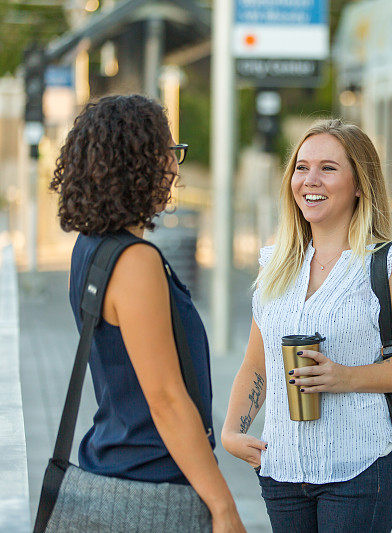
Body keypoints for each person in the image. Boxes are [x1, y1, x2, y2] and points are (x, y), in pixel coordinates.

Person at [221, 119, 392, 532]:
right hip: (282, 470)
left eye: (328, 168)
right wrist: (233, 432)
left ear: (360, 184)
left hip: (359, 467)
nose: (310, 180)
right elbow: (258, 364)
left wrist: (345, 377)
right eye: (302, 167)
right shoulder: (275, 264)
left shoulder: (390, 264)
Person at [50, 95, 245, 532]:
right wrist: (223, 506)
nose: (175, 169)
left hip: (114, 464)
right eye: (168, 154)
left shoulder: (90, 248)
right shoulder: (135, 262)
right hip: (153, 490)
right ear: (135, 163)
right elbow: (167, 401)